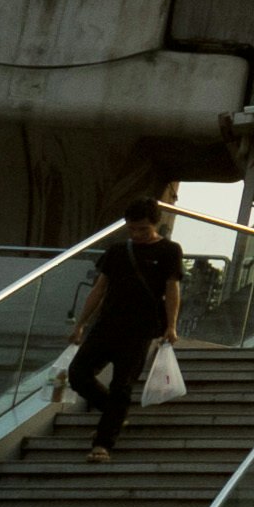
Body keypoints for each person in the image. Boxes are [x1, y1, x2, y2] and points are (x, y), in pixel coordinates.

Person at [70, 194, 187, 457]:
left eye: (143, 229)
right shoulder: (118, 251)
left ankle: (103, 444)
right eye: (132, 229)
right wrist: (81, 323)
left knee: (121, 385)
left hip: (141, 329)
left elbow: (172, 289)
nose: (136, 234)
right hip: (107, 323)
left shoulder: (169, 250)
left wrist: (171, 326)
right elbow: (99, 288)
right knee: (78, 374)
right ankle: (115, 414)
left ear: (155, 224)